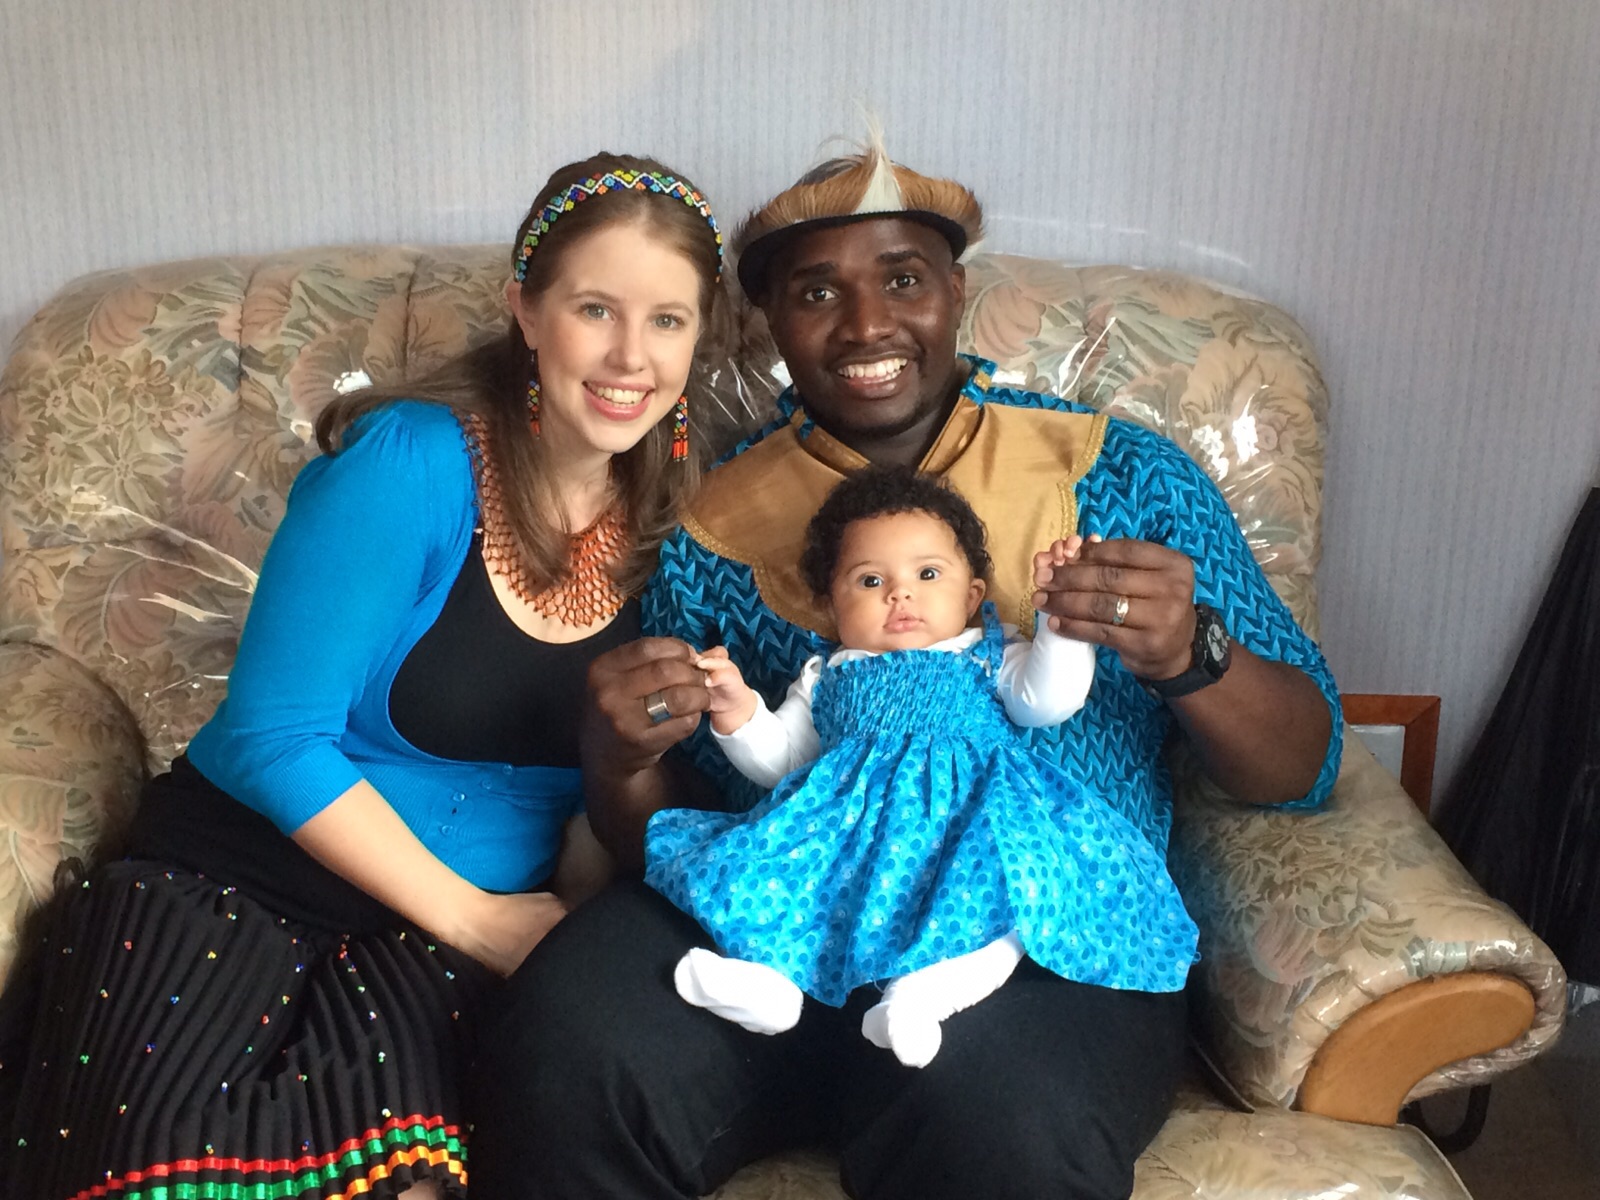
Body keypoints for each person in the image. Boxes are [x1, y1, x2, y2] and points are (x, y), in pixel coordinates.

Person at [470, 134, 1341, 1200]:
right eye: (816, 292)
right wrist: (616, 760)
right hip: (783, 909)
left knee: (999, 1122)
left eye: (903, 280)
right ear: (768, 322)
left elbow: (1302, 763)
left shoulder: (1124, 474)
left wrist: (1189, 655)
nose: (866, 325)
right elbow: (676, 821)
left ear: (956, 294)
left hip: (1037, 924)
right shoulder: (706, 524)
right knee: (567, 1047)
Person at [0, 152, 725, 1200]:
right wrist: (483, 922)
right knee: (168, 1174)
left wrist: (559, 927)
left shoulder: (678, 531)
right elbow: (272, 736)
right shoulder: (410, 462)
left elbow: (588, 801)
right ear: (526, 311)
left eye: (667, 320)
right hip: (239, 889)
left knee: (404, 1185)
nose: (630, 356)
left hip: (433, 953)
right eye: (595, 309)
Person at [646, 463, 1196, 1069]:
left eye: (927, 574)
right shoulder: (828, 674)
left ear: (972, 596)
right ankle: (770, 986)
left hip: (970, 822)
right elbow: (784, 762)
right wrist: (737, 710)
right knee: (785, 878)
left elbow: (1048, 701)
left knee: (1008, 897)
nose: (899, 594)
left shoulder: (988, 653)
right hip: (849, 837)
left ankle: (922, 998)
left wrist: (1059, 622)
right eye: (870, 580)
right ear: (831, 605)